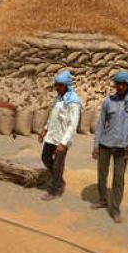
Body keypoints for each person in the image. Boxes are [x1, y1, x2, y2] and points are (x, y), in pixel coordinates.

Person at [91, 71, 128, 223]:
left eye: (122, 84)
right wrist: (96, 145)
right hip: (105, 144)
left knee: (119, 178)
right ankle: (102, 199)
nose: (119, 87)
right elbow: (101, 124)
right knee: (102, 174)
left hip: (123, 147)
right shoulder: (108, 101)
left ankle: (115, 209)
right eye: (117, 84)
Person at [38, 70, 82, 201]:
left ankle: (54, 190)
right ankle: (59, 180)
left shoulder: (73, 102)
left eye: (59, 85)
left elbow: (73, 125)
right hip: (52, 136)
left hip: (62, 139)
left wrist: (63, 143)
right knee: (45, 158)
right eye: (56, 85)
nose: (56, 87)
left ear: (66, 86)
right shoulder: (58, 98)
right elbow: (53, 116)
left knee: (57, 164)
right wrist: (45, 129)